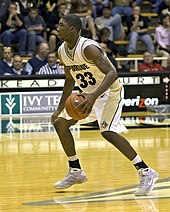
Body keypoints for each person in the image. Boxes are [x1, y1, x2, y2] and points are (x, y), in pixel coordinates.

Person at [51, 14, 159, 196]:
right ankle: (75, 171)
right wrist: (59, 109)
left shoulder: (89, 48)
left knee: (107, 131)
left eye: (61, 25)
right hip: (88, 95)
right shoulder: (62, 51)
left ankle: (146, 171)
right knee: (60, 123)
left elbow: (112, 73)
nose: (57, 27)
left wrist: (93, 96)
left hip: (109, 93)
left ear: (72, 29)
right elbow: (69, 80)